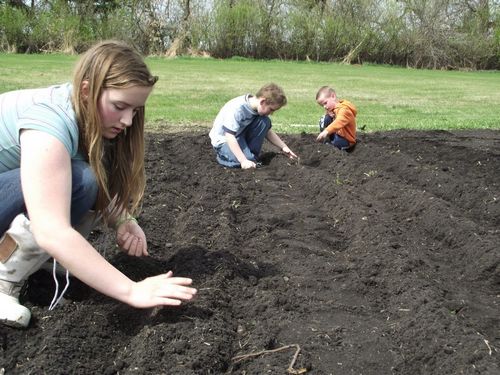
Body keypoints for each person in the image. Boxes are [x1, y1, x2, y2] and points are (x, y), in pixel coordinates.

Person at [0, 40, 197, 328]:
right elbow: (50, 229)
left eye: (136, 110)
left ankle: (35, 270)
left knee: (85, 178)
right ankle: (3, 280)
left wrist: (122, 220)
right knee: (80, 180)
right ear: (86, 90)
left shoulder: (81, 111)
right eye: (120, 106)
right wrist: (131, 290)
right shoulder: (48, 122)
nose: (128, 120)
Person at [209, 83, 298, 169]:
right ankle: (223, 157)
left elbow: (268, 132)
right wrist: (243, 160)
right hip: (224, 140)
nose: (272, 113)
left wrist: (284, 147)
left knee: (264, 122)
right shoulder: (237, 108)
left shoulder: (257, 109)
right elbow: (229, 136)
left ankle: (250, 157)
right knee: (242, 161)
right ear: (263, 101)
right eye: (271, 109)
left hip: (240, 136)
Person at [315, 86, 357, 151]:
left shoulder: (344, 109)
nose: (325, 107)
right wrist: (328, 114)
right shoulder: (333, 109)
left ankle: (332, 146)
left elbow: (339, 121)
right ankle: (327, 140)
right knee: (324, 119)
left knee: (337, 143)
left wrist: (326, 131)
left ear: (333, 96)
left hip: (346, 139)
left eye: (325, 103)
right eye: (322, 105)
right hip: (338, 134)